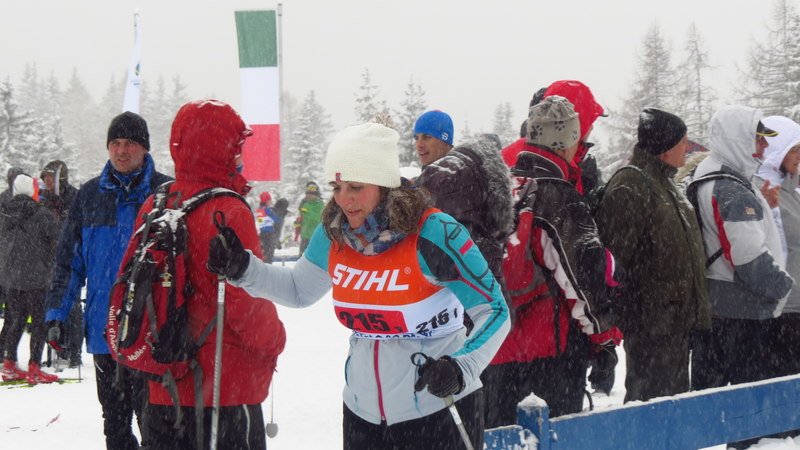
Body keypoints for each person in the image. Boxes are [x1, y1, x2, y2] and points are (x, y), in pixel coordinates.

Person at [207, 122, 510, 450]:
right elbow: (298, 289)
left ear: (384, 184)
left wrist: (461, 366)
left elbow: (494, 310)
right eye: (336, 187)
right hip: (362, 415)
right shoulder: (334, 233)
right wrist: (243, 268)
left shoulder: (433, 231)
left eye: (355, 186)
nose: (344, 200)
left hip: (438, 407)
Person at [134, 100, 286, 450]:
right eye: (236, 146)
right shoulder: (228, 210)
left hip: (164, 380)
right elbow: (246, 303)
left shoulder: (156, 204)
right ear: (221, 147)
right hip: (223, 388)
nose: (240, 155)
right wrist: (275, 339)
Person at [481, 96, 619, 425]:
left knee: (503, 437)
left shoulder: (501, 189)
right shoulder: (559, 196)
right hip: (550, 352)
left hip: (496, 346)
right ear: (567, 141)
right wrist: (604, 339)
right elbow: (582, 279)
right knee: (551, 436)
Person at [44, 111, 172, 450]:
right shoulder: (89, 196)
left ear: (145, 148)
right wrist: (57, 315)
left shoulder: (167, 193)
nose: (122, 150)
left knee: (158, 429)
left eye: (130, 143)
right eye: (115, 143)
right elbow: (68, 263)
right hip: (105, 332)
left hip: (154, 335)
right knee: (115, 429)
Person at [595, 108, 711, 402]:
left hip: (674, 323)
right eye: (683, 141)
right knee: (651, 405)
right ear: (665, 146)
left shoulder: (666, 182)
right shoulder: (632, 183)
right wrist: (640, 310)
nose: (687, 146)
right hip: (652, 325)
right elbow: (615, 261)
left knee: (671, 404)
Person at [690, 105, 793, 396]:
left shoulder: (711, 175)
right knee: (747, 402)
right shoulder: (731, 188)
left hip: (719, 308)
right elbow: (748, 257)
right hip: (739, 312)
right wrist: (782, 286)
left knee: (710, 399)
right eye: (759, 138)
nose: (764, 146)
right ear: (738, 138)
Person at [413, 110, 514, 295]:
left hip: (463, 292)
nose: (419, 144)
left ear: (445, 140)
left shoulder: (452, 179)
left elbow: (466, 245)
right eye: (416, 137)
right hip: (467, 289)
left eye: (427, 137)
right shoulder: (440, 178)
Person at [0, 174, 60, 383]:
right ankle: (34, 366)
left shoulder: (4, 213)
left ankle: (9, 363)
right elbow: (57, 238)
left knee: (15, 320)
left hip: (11, 277)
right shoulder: (42, 214)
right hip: (37, 276)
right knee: (38, 323)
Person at [754, 115, 800, 379]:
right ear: (776, 149)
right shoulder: (763, 190)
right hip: (782, 311)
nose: (799, 156)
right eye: (794, 149)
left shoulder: (791, 191)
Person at [39, 160, 83, 368]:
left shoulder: (73, 196)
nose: (47, 181)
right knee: (52, 304)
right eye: (45, 177)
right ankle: (57, 345)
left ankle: (74, 351)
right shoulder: (43, 199)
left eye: (50, 177)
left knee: (72, 305)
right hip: (46, 259)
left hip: (69, 256)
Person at [294, 181, 324, 255]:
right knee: (302, 258)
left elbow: (316, 219)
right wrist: (298, 222)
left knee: (313, 258)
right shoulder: (305, 204)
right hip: (305, 236)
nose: (309, 195)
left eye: (311, 194)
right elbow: (303, 218)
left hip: (315, 237)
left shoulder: (320, 205)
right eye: (308, 193)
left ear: (316, 195)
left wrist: (306, 213)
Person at [255, 191, 280, 262]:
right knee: (270, 250)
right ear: (266, 200)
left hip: (262, 232)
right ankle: (269, 263)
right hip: (269, 232)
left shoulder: (259, 209)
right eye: (270, 200)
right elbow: (276, 219)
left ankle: (264, 262)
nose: (271, 201)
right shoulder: (267, 209)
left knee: (264, 250)